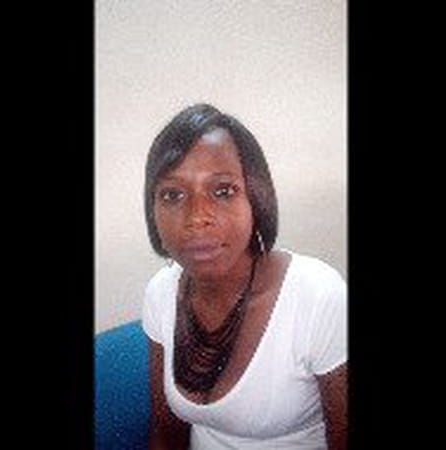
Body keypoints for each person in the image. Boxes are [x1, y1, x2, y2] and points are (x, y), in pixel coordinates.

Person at [142, 103, 347, 449]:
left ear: (256, 199)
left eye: (223, 191)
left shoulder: (319, 297)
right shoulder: (160, 293)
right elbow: (166, 432)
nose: (197, 217)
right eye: (173, 194)